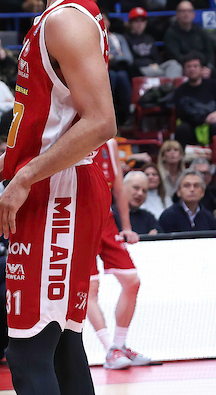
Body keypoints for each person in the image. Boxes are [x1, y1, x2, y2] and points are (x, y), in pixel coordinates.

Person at [0, 0, 113, 394]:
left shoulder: (68, 21)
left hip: (60, 194)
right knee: (61, 347)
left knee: (29, 349)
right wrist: (2, 166)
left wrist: (26, 176)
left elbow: (101, 122)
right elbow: (51, 119)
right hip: (53, 187)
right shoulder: (61, 17)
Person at [86, 139, 150, 369]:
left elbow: (119, 189)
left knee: (132, 281)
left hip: (106, 221)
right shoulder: (72, 136)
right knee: (90, 288)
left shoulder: (110, 144)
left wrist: (127, 227)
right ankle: (109, 349)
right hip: (81, 220)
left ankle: (119, 346)